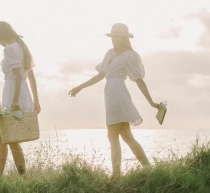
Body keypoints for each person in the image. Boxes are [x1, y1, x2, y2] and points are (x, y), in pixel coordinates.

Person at [69, 23, 163, 178]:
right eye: (112, 37)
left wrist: (151, 102)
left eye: (116, 37)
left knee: (113, 135)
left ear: (124, 38)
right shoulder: (110, 53)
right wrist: (81, 86)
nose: (113, 40)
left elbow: (138, 80)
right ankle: (148, 169)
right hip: (111, 94)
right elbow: (100, 75)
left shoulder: (130, 55)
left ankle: (116, 176)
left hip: (118, 94)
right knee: (126, 135)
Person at [0, 21, 41, 179]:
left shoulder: (10, 49)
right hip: (21, 94)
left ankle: (22, 178)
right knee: (2, 137)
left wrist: (15, 101)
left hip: (14, 94)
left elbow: (19, 76)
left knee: (10, 138)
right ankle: (0, 177)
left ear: (2, 36)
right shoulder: (21, 47)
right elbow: (31, 76)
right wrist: (36, 100)